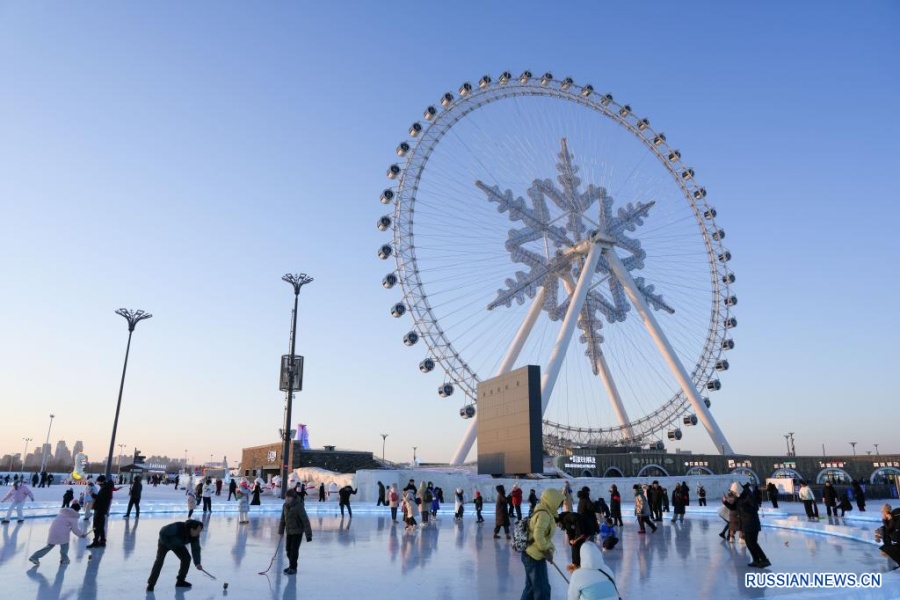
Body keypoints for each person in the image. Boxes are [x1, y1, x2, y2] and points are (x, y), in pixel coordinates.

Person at [521, 488, 564, 599]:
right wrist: (546, 550)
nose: (560, 505)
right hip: (535, 556)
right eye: (559, 502)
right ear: (552, 501)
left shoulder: (544, 511)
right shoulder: (544, 514)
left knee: (531, 588)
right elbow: (538, 535)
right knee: (542, 589)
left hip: (530, 553)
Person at [146, 519, 204, 592]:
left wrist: (197, 563)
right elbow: (162, 532)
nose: (198, 534)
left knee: (186, 558)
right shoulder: (178, 527)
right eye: (197, 531)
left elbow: (196, 549)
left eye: (200, 532)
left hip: (178, 545)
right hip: (164, 543)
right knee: (159, 561)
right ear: (192, 529)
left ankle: (180, 581)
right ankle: (151, 584)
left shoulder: (195, 536)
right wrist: (167, 545)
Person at [28, 502, 88, 566]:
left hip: (53, 531)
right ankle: (64, 559)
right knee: (65, 546)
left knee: (49, 546)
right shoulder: (73, 516)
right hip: (62, 533)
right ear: (77, 510)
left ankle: (34, 556)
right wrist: (81, 534)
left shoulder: (63, 513)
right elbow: (75, 529)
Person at [278, 489, 312, 575]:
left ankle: (293, 568)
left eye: (289, 497)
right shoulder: (285, 506)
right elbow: (283, 519)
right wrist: (281, 531)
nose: (287, 499)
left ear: (293, 497)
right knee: (288, 550)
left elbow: (305, 520)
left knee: (294, 550)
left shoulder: (298, 506)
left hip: (298, 532)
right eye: (286, 497)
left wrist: (308, 535)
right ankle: (290, 566)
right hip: (289, 531)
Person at [738, 482, 771, 568]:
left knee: (753, 543)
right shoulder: (742, 497)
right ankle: (756, 560)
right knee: (749, 543)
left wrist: (744, 507)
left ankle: (764, 560)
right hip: (746, 523)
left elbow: (755, 508)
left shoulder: (748, 496)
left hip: (752, 523)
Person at [86, 475, 114, 548]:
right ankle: (102, 541)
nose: (97, 483)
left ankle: (96, 541)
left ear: (101, 481)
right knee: (101, 526)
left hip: (100, 509)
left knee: (96, 526)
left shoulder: (105, 489)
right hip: (102, 509)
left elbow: (100, 499)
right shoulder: (106, 487)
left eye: (98, 481)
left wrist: (92, 494)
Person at [875, 503, 900, 569]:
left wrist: (886, 521)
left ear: (887, 512)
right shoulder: (891, 520)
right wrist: (878, 534)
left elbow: (894, 534)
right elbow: (888, 529)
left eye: (882, 512)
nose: (882, 514)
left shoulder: (896, 519)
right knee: (886, 549)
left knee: (888, 549)